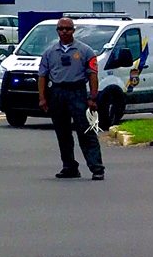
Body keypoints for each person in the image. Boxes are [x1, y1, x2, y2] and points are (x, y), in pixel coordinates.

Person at [37, 16, 105, 180]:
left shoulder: (85, 51)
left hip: (77, 92)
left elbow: (93, 75)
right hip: (58, 93)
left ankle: (97, 168)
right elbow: (42, 76)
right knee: (63, 132)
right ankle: (69, 167)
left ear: (73, 30)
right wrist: (43, 98)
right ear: (57, 31)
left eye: (68, 29)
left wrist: (93, 97)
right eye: (61, 29)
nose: (64, 32)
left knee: (86, 131)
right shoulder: (49, 52)